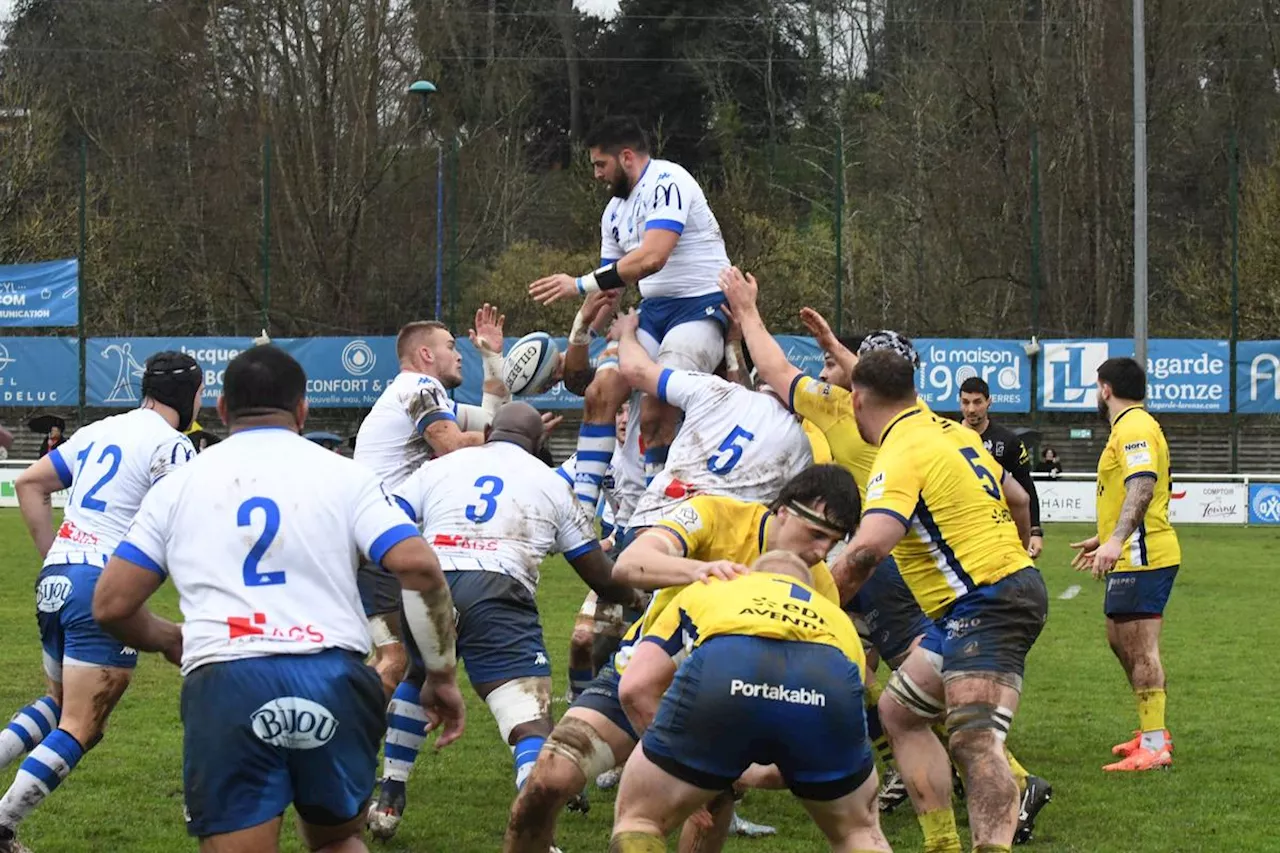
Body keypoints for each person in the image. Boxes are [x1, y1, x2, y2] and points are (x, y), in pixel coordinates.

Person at [91, 345, 466, 853]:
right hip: (332, 675)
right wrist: (440, 674)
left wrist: (168, 637)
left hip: (228, 678)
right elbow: (419, 565)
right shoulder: (347, 476)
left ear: (222, 410)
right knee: (338, 840)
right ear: (303, 410)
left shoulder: (180, 484)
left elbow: (112, 604)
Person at [503, 465, 861, 853]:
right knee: (546, 784)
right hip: (640, 677)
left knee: (707, 815)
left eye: (833, 543)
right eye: (817, 535)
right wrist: (701, 570)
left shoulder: (818, 585)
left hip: (716, 710)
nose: (821, 553)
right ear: (784, 511)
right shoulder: (715, 514)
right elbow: (628, 565)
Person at [830, 350, 1048, 853]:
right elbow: (1017, 498)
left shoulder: (899, 451)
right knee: (900, 712)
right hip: (981, 598)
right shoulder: (952, 431)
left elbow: (867, 548)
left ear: (858, 401)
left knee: (974, 740)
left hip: (986, 601)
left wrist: (814, 601)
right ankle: (942, 844)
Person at [0, 352, 202, 853]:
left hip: (58, 580)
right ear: (188, 395)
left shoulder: (99, 428)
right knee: (81, 724)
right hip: (101, 587)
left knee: (59, 704)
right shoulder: (172, 446)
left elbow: (30, 482)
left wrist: (57, 557)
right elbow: (184, 528)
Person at [393, 401, 644, 794]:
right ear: (541, 442)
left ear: (489, 430)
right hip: (495, 588)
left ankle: (390, 794)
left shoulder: (441, 466)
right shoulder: (551, 482)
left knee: (417, 674)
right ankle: (534, 831)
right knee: (531, 722)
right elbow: (598, 573)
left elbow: (390, 519)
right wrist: (637, 598)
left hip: (427, 581)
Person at [610, 552, 891, 853]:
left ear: (750, 574)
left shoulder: (710, 587)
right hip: (824, 680)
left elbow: (635, 688)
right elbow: (837, 727)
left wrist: (672, 760)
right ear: (810, 589)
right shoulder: (836, 617)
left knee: (640, 820)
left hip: (726, 670)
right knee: (858, 832)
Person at [353, 307, 509, 839]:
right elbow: (454, 445)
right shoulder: (420, 387)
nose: (455, 352)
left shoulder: (417, 392)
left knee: (412, 664)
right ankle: (336, 751)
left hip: (383, 545)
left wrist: (494, 358)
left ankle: (388, 789)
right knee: (395, 662)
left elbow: (490, 421)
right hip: (380, 546)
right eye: (450, 345)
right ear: (425, 356)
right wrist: (505, 439)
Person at [529, 116, 732, 502]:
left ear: (625, 157)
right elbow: (610, 289)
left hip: (700, 305)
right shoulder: (613, 212)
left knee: (657, 406)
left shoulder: (668, 180)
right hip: (653, 311)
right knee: (600, 393)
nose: (596, 175)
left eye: (599, 164)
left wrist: (577, 284)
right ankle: (582, 509)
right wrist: (581, 330)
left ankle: (654, 507)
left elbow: (653, 258)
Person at [1070, 357, 1180, 772]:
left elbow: (1143, 484)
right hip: (1131, 553)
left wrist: (1117, 539)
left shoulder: (1133, 427)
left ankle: (1155, 744)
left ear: (1105, 389)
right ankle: (1152, 731)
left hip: (1144, 556)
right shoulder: (1131, 427)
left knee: (1140, 647)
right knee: (1120, 640)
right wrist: (1105, 536)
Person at [615, 308, 816, 533]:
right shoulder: (801, 446)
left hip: (654, 524)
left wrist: (626, 332)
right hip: (718, 546)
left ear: (761, 385)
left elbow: (635, 370)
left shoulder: (718, 391)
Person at [959, 377, 1045, 558]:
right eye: (965, 402)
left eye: (977, 402)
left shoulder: (1008, 441)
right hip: (959, 528)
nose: (971, 409)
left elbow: (1026, 486)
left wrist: (1035, 532)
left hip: (998, 530)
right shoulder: (947, 438)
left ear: (989, 402)